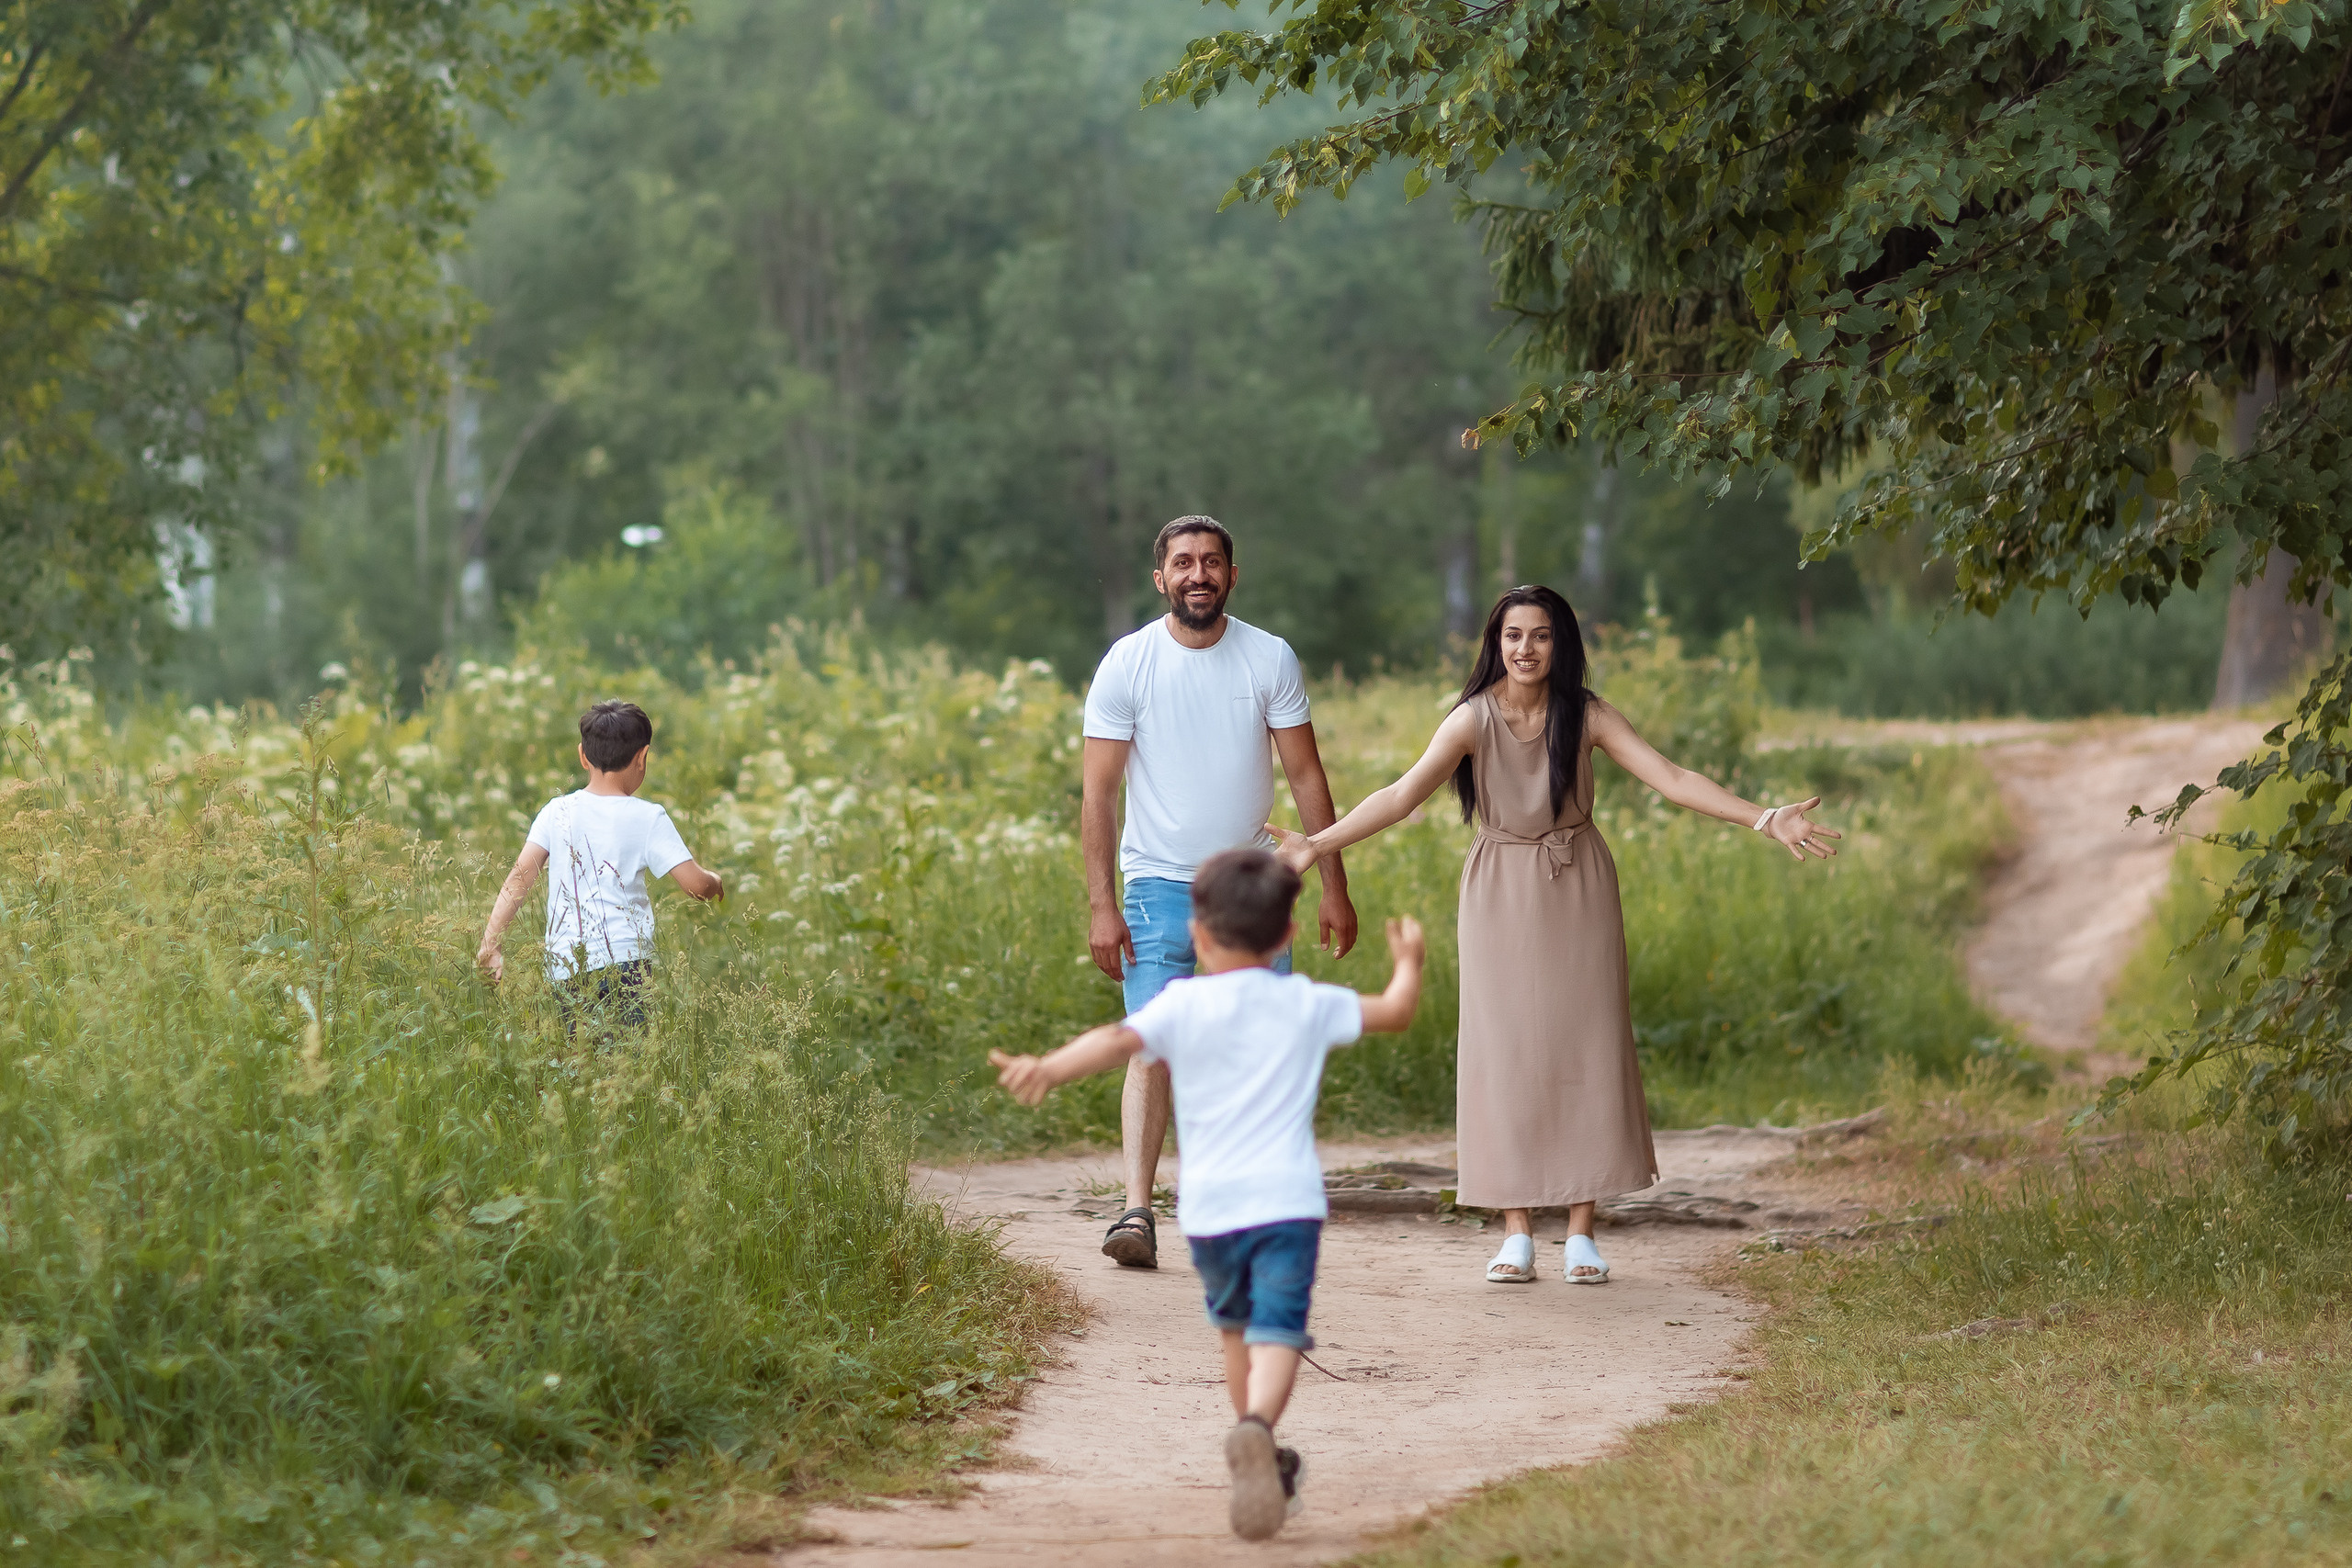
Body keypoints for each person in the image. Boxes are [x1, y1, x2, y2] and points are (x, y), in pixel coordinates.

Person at [1268, 586, 1838, 1285]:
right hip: (1499, 885)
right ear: (1495, 643)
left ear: (1560, 643)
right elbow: (1399, 795)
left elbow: (1671, 777)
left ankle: (1580, 1232)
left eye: (1540, 635)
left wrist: (1764, 818)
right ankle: (1516, 1231)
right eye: (1513, 635)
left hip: (1578, 882)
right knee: (1503, 1047)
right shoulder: (1471, 719)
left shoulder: (1586, 713)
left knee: (1586, 1042)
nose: (1526, 649)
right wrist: (1316, 844)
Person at [990, 850, 1424, 1540]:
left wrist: (1047, 1067)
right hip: (1285, 1205)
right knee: (1279, 1330)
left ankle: (1256, 1447)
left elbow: (1115, 1040)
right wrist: (1409, 962)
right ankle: (1256, 1428)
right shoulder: (1304, 1001)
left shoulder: (1182, 1003)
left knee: (1234, 1328)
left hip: (1211, 1212)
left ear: (1198, 934)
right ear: (1285, 936)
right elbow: (1396, 1012)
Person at [1080, 515, 1358, 1269]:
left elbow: (1306, 774)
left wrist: (1333, 885)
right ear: (1161, 578)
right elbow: (1098, 793)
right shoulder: (1128, 663)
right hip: (1156, 884)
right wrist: (1102, 905)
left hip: (1250, 886)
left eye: (1210, 562)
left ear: (1232, 575)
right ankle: (1136, 1212)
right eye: (1183, 562)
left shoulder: (1269, 657)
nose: (1197, 574)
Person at [476, 699, 726, 1030]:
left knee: (582, 1053)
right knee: (627, 1055)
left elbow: (518, 879)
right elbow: (696, 885)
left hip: (567, 965)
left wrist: (490, 944)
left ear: (583, 756)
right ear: (642, 757)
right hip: (625, 962)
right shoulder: (648, 817)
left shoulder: (556, 812)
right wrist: (714, 882)